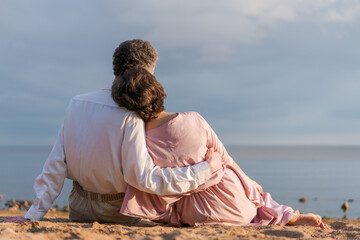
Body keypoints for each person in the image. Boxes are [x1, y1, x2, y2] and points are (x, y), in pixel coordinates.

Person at [4, 39, 222, 224]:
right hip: (118, 211)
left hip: (79, 206)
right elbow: (144, 178)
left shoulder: (77, 103)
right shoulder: (132, 115)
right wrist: (205, 168)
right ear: (149, 73)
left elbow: (56, 164)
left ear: (115, 69)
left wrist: (33, 214)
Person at [111, 67, 326, 228]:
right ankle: (290, 216)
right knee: (259, 197)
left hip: (197, 213)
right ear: (159, 91)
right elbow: (225, 158)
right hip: (237, 202)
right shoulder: (193, 119)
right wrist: (249, 182)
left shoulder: (140, 139)